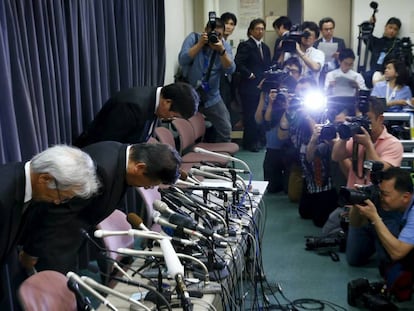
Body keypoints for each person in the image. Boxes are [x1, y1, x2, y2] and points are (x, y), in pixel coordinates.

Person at [20, 142, 181, 275]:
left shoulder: (122, 156)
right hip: (53, 240)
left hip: (71, 236)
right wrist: (33, 250)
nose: (146, 188)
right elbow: (56, 212)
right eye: (149, 184)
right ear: (139, 168)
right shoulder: (100, 170)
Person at [0, 145, 100, 307]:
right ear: (45, 179)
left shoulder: (30, 183)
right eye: (62, 197)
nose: (58, 202)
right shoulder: (3, 195)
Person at [331, 96, 403, 270]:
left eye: (367, 119)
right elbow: (336, 156)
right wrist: (344, 135)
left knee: (386, 262)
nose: (362, 124)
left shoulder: (393, 145)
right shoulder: (356, 139)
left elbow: (382, 171)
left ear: (380, 119)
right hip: (357, 203)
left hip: (381, 208)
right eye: (359, 119)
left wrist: (369, 145)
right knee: (353, 259)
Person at [352, 167, 414, 301]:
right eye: (380, 193)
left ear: (405, 197)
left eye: (385, 194)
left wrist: (375, 217)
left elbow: (397, 253)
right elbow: (355, 224)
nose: (381, 198)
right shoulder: (403, 206)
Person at [73, 82, 199, 147]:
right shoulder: (132, 107)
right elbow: (108, 144)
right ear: (167, 102)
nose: (171, 119)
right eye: (174, 115)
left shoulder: (154, 102)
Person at [178, 17, 235, 143]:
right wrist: (199, 44)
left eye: (219, 35)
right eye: (212, 34)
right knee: (186, 132)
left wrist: (221, 51)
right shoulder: (193, 38)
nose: (215, 37)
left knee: (225, 129)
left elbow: (230, 70)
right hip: (189, 95)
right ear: (205, 31)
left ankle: (223, 159)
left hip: (211, 96)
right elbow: (182, 60)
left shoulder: (224, 46)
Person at [255, 72, 296, 193]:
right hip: (272, 149)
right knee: (272, 188)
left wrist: (288, 104)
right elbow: (260, 120)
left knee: (289, 189)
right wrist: (266, 97)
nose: (281, 91)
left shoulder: (295, 96)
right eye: (279, 88)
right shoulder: (270, 96)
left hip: (289, 148)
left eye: (284, 88)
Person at [235, 18, 271, 152]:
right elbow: (238, 63)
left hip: (262, 86)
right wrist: (249, 74)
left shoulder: (265, 48)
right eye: (257, 28)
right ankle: (250, 143)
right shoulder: (246, 45)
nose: (260, 31)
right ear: (251, 31)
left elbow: (267, 66)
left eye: (262, 29)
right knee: (250, 116)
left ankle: (260, 140)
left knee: (260, 114)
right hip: (249, 86)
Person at [363, 17, 402, 88]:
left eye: (395, 29)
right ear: (385, 27)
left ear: (397, 32)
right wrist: (371, 25)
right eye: (390, 27)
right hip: (374, 72)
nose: (392, 31)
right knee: (363, 76)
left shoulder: (398, 45)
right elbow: (366, 38)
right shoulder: (377, 42)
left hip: (389, 74)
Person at [219, 12, 241, 130]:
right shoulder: (217, 42)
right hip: (217, 82)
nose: (228, 26)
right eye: (226, 23)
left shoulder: (227, 43)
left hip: (227, 82)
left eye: (231, 24)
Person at [314, 17, 346, 84]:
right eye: (326, 29)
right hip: (321, 72)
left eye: (331, 29)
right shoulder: (316, 44)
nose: (329, 31)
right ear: (321, 30)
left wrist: (339, 57)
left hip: (336, 71)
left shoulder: (340, 42)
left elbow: (346, 59)